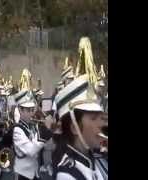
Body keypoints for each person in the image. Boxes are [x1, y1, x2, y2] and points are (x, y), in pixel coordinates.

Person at [52, 37, 107, 180]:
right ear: (75, 127)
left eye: (100, 117)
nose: (102, 124)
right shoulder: (68, 175)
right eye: (94, 118)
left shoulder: (89, 160)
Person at [12, 69, 53, 180]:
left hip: (34, 172)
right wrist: (44, 129)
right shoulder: (17, 130)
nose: (32, 113)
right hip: (23, 174)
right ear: (20, 110)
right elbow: (30, 150)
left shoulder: (32, 125)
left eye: (32, 109)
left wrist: (52, 129)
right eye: (28, 110)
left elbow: (40, 144)